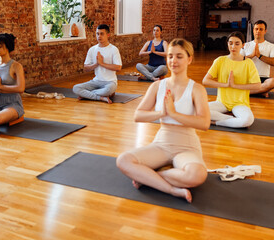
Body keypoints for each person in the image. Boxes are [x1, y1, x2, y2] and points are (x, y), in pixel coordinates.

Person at [116, 38, 210, 203]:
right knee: (123, 160)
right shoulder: (157, 86)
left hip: (187, 147)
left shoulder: (197, 89)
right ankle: (172, 189)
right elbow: (138, 115)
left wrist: (173, 114)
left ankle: (151, 177)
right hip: (162, 144)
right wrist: (161, 113)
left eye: (179, 56)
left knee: (197, 175)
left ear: (189, 59)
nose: (173, 61)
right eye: (170, 56)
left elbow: (204, 123)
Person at [203, 31, 261, 128]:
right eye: (230, 43)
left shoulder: (248, 63)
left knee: (247, 120)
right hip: (222, 102)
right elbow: (205, 81)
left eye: (237, 43)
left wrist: (235, 85)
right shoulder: (220, 60)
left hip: (240, 103)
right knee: (196, 109)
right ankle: (234, 121)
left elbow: (258, 85)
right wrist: (226, 85)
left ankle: (216, 122)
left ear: (243, 45)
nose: (233, 46)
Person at [73, 24, 122, 104]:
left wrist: (102, 63)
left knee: (108, 90)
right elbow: (86, 68)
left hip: (110, 82)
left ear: (108, 35)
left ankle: (87, 95)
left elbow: (118, 67)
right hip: (96, 81)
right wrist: (96, 64)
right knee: (76, 88)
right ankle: (100, 97)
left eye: (102, 34)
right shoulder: (92, 49)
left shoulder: (114, 49)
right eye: (97, 34)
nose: (99, 36)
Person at [241, 20, 274, 97]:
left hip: (263, 79)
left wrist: (259, 56)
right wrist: (251, 55)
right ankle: (261, 91)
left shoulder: (271, 46)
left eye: (261, 29)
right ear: (253, 30)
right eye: (256, 29)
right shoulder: (245, 45)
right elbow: (237, 61)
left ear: (265, 31)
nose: (258, 31)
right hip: (247, 78)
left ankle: (246, 92)